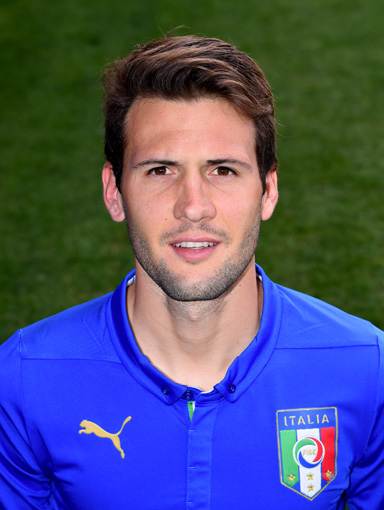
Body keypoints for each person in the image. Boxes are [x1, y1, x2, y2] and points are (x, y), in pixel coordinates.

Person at [0, 35, 383, 510]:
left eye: (223, 170)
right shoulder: (22, 379)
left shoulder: (367, 368)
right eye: (160, 170)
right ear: (114, 193)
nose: (194, 207)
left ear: (267, 191)